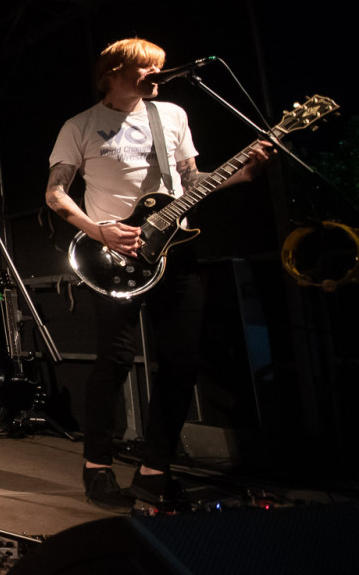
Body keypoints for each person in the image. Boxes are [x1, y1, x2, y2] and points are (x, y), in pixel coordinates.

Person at [46, 38, 269, 510]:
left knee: (182, 360)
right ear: (112, 72)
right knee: (117, 359)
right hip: (113, 257)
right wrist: (99, 230)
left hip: (176, 250)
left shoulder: (171, 116)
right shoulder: (80, 126)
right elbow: (56, 195)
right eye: (146, 67)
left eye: (160, 68)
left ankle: (154, 469)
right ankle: (98, 466)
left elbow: (190, 181)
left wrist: (242, 174)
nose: (156, 74)